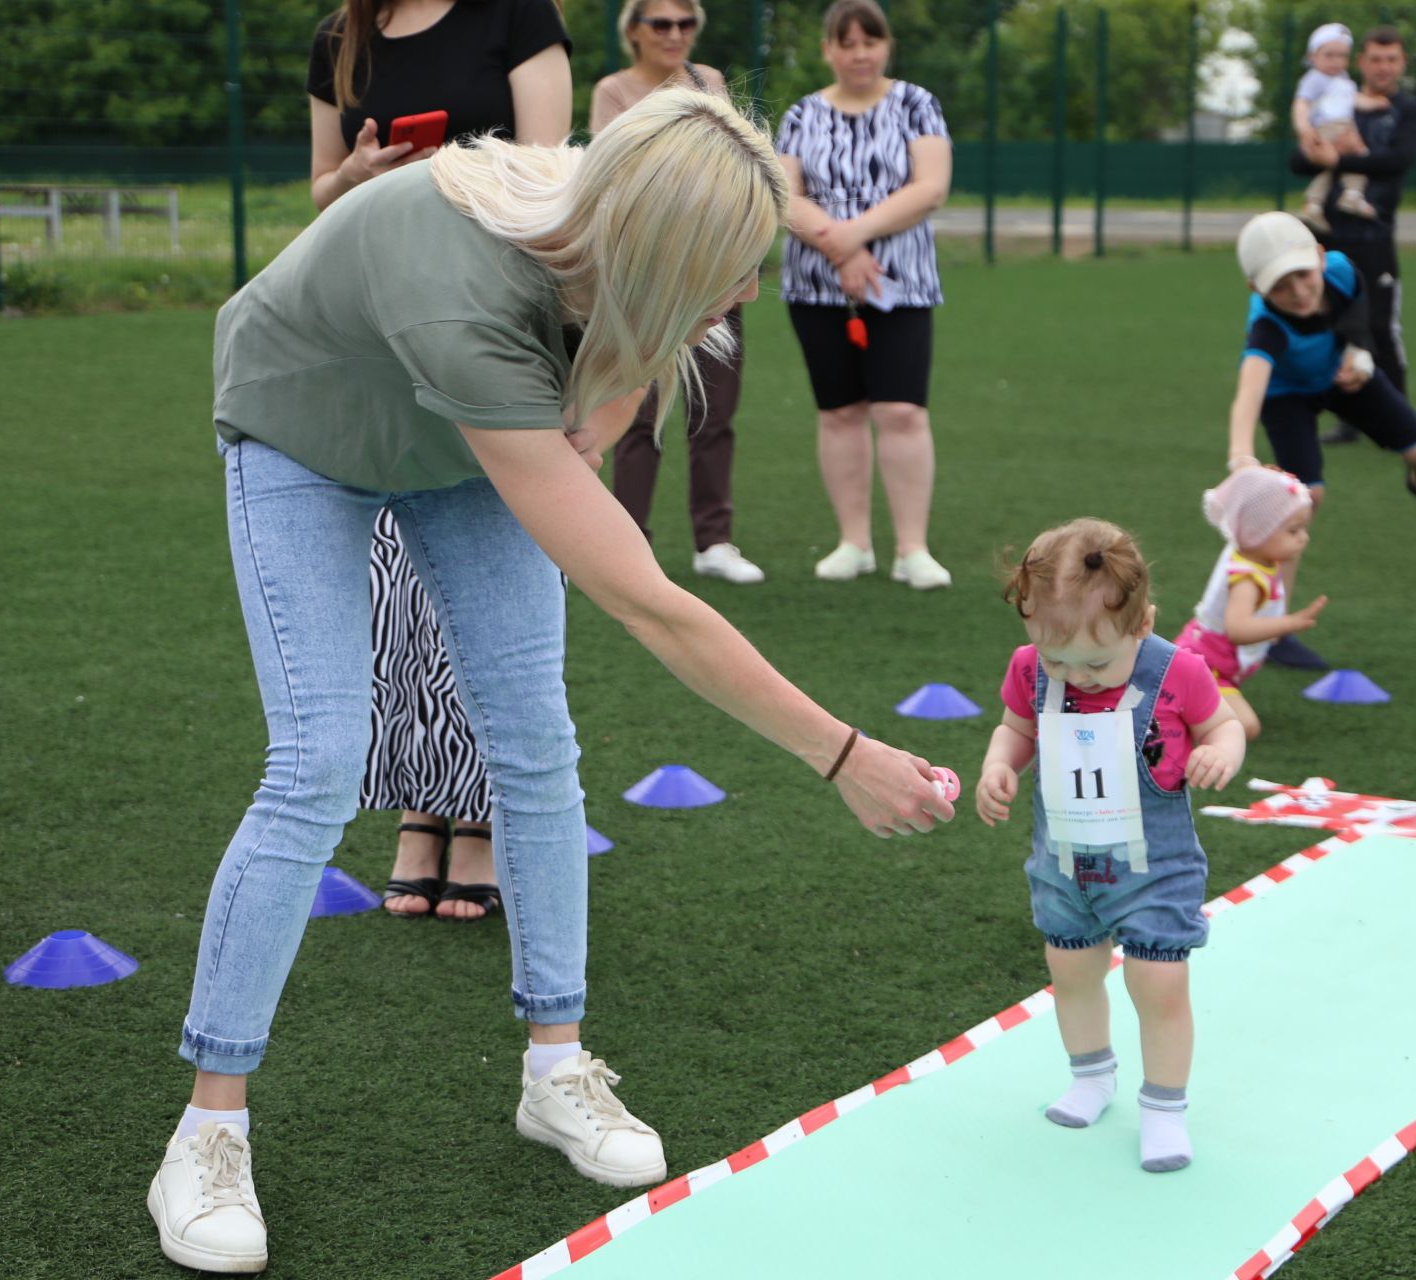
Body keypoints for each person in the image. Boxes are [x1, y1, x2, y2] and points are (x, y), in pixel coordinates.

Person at [146, 90, 955, 1274]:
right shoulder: (464, 288)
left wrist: (594, 411)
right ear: (661, 250)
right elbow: (650, 603)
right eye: (726, 273)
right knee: (318, 755)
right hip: (303, 428)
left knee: (534, 742)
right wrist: (844, 752)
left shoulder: (610, 205)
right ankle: (206, 1130)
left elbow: (629, 362)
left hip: (464, 436)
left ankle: (555, 1065)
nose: (740, 298)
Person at [308, 0, 572, 920]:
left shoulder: (515, 14)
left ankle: (489, 813)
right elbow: (320, 195)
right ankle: (422, 806)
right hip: (373, 320)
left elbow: (551, 176)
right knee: (398, 585)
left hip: (488, 313)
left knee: (491, 565)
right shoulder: (341, 37)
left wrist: (445, 177)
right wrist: (357, 172)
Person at [975, 518, 1245, 1174]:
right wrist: (998, 766)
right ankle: (1091, 1076)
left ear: (1143, 622)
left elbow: (1224, 725)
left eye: (1096, 661)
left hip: (1153, 868)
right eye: (1056, 657)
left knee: (1159, 983)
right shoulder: (1030, 669)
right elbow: (1016, 727)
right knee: (1071, 971)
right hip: (1066, 862)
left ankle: (1164, 1107)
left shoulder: (1178, 671)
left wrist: (1219, 752)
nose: (1076, 674)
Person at [1227, 212, 1416, 665]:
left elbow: (1359, 301)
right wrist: (1240, 456)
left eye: (1303, 275)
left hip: (1345, 377)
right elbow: (1250, 390)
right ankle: (1275, 629)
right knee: (1303, 501)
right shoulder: (1266, 326)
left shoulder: (1340, 269)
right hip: (1287, 399)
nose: (1299, 293)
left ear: (1320, 258)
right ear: (1256, 290)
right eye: (1280, 286)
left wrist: (1359, 349)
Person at [775, 0, 953, 590]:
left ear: (886, 45)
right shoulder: (802, 114)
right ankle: (854, 542)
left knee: (902, 411)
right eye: (846, 42)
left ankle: (912, 548)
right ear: (828, 49)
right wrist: (840, 250)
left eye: (869, 41)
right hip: (817, 287)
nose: (858, 53)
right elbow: (783, 192)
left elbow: (930, 187)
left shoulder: (916, 104)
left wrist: (854, 236)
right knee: (840, 412)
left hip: (902, 283)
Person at [591, 0, 763, 586]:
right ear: (633, 31)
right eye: (661, 23)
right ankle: (627, 539)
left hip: (713, 266)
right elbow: (612, 172)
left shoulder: (708, 82)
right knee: (636, 412)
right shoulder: (612, 90)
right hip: (647, 275)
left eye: (686, 23)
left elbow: (729, 167)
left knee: (715, 410)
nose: (675, 34)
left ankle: (714, 540)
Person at [1288, 24, 1416, 448]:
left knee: (1381, 329)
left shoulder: (1409, 110)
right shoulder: (1336, 97)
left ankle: (1400, 422)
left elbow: (1399, 160)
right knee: (1332, 326)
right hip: (1327, 236)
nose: (1383, 67)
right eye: (1375, 58)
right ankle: (1350, 418)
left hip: (1375, 235)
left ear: (1402, 63)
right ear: (1361, 61)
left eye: (1392, 59)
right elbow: (1298, 160)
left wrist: (1343, 157)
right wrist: (1320, 152)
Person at [1172, 467, 1328, 741]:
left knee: (1236, 724)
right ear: (1258, 532)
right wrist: (1288, 624)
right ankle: (1170, 716)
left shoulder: (1257, 556)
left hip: (1215, 670)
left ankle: (1178, 706)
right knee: (1244, 728)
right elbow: (1238, 630)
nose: (1304, 537)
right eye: (1293, 530)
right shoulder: (1246, 578)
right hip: (1204, 669)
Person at [1292, 23, 1378, 231]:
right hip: (1328, 127)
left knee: (1333, 167)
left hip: (1344, 127)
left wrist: (1375, 103)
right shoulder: (1314, 79)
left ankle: (1314, 204)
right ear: (1313, 56)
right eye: (1329, 55)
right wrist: (1304, 129)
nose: (1336, 61)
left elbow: (1354, 100)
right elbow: (1301, 104)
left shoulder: (1343, 80)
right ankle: (1352, 194)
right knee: (1360, 155)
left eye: (1342, 56)